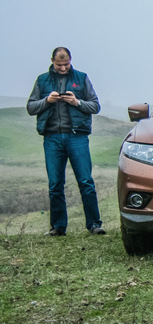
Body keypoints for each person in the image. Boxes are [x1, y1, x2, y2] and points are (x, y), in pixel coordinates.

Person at [26, 47, 104, 236]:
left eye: (66, 64)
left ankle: (94, 225)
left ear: (70, 60)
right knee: (55, 184)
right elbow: (31, 107)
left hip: (77, 136)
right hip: (52, 138)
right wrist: (47, 101)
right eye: (59, 64)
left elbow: (95, 106)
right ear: (52, 61)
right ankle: (58, 227)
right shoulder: (42, 80)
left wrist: (77, 102)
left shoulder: (82, 78)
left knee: (85, 181)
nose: (63, 68)